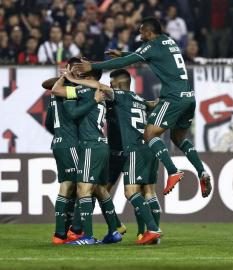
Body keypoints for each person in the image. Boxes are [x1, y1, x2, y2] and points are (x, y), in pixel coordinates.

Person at [73, 17, 212, 198]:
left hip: (173, 97)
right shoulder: (168, 41)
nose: (139, 35)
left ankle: (173, 171)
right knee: (179, 139)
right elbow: (147, 55)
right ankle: (202, 172)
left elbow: (126, 63)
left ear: (149, 31)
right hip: (189, 97)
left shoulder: (153, 45)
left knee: (149, 134)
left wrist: (92, 65)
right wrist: (124, 54)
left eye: (141, 31)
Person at [65, 69, 162, 245]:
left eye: (111, 82)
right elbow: (152, 104)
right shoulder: (138, 99)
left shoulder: (118, 96)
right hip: (138, 149)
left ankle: (150, 230)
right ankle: (118, 228)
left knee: (128, 191)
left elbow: (99, 86)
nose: (108, 85)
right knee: (107, 190)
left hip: (129, 150)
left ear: (117, 84)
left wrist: (71, 79)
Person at [51, 68, 122, 245]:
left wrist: (66, 77)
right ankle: (114, 231)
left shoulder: (84, 91)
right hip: (101, 145)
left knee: (83, 188)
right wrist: (66, 77)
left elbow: (58, 94)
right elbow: (55, 90)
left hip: (91, 145)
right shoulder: (102, 91)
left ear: (89, 77)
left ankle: (87, 236)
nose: (80, 75)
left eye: (83, 74)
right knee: (99, 189)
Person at [43, 57, 99, 244]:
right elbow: (76, 114)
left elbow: (48, 122)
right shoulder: (72, 91)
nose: (78, 71)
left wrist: (60, 132)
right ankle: (74, 231)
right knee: (83, 186)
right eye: (75, 68)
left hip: (59, 142)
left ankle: (61, 234)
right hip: (71, 143)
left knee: (68, 186)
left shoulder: (55, 91)